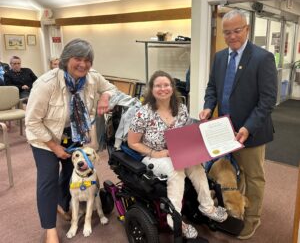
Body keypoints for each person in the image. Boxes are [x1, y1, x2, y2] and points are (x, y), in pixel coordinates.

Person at [25, 38, 117, 243]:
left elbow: (111, 87)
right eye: (78, 59)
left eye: (87, 60)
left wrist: (105, 97)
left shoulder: (92, 77)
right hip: (44, 138)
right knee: (48, 179)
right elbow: (32, 122)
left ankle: (61, 204)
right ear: (66, 60)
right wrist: (54, 146)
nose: (83, 64)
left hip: (74, 136)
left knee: (69, 175)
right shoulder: (45, 84)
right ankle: (50, 230)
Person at [199, 9, 277, 240]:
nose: (232, 36)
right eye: (227, 32)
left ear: (247, 29)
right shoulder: (221, 57)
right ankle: (236, 210)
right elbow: (212, 88)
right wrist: (207, 106)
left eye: (237, 31)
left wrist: (248, 127)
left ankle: (252, 219)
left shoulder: (263, 58)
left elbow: (267, 100)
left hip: (250, 132)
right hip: (224, 129)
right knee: (233, 172)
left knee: (253, 177)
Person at [128, 70, 228, 239]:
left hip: (177, 152)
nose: (163, 89)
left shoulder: (181, 108)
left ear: (172, 88)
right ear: (151, 89)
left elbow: (186, 133)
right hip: (153, 155)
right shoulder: (143, 113)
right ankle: (175, 219)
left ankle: (207, 207)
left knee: (197, 166)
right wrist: (156, 153)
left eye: (166, 85)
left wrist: (199, 148)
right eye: (158, 86)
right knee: (177, 169)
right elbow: (132, 142)